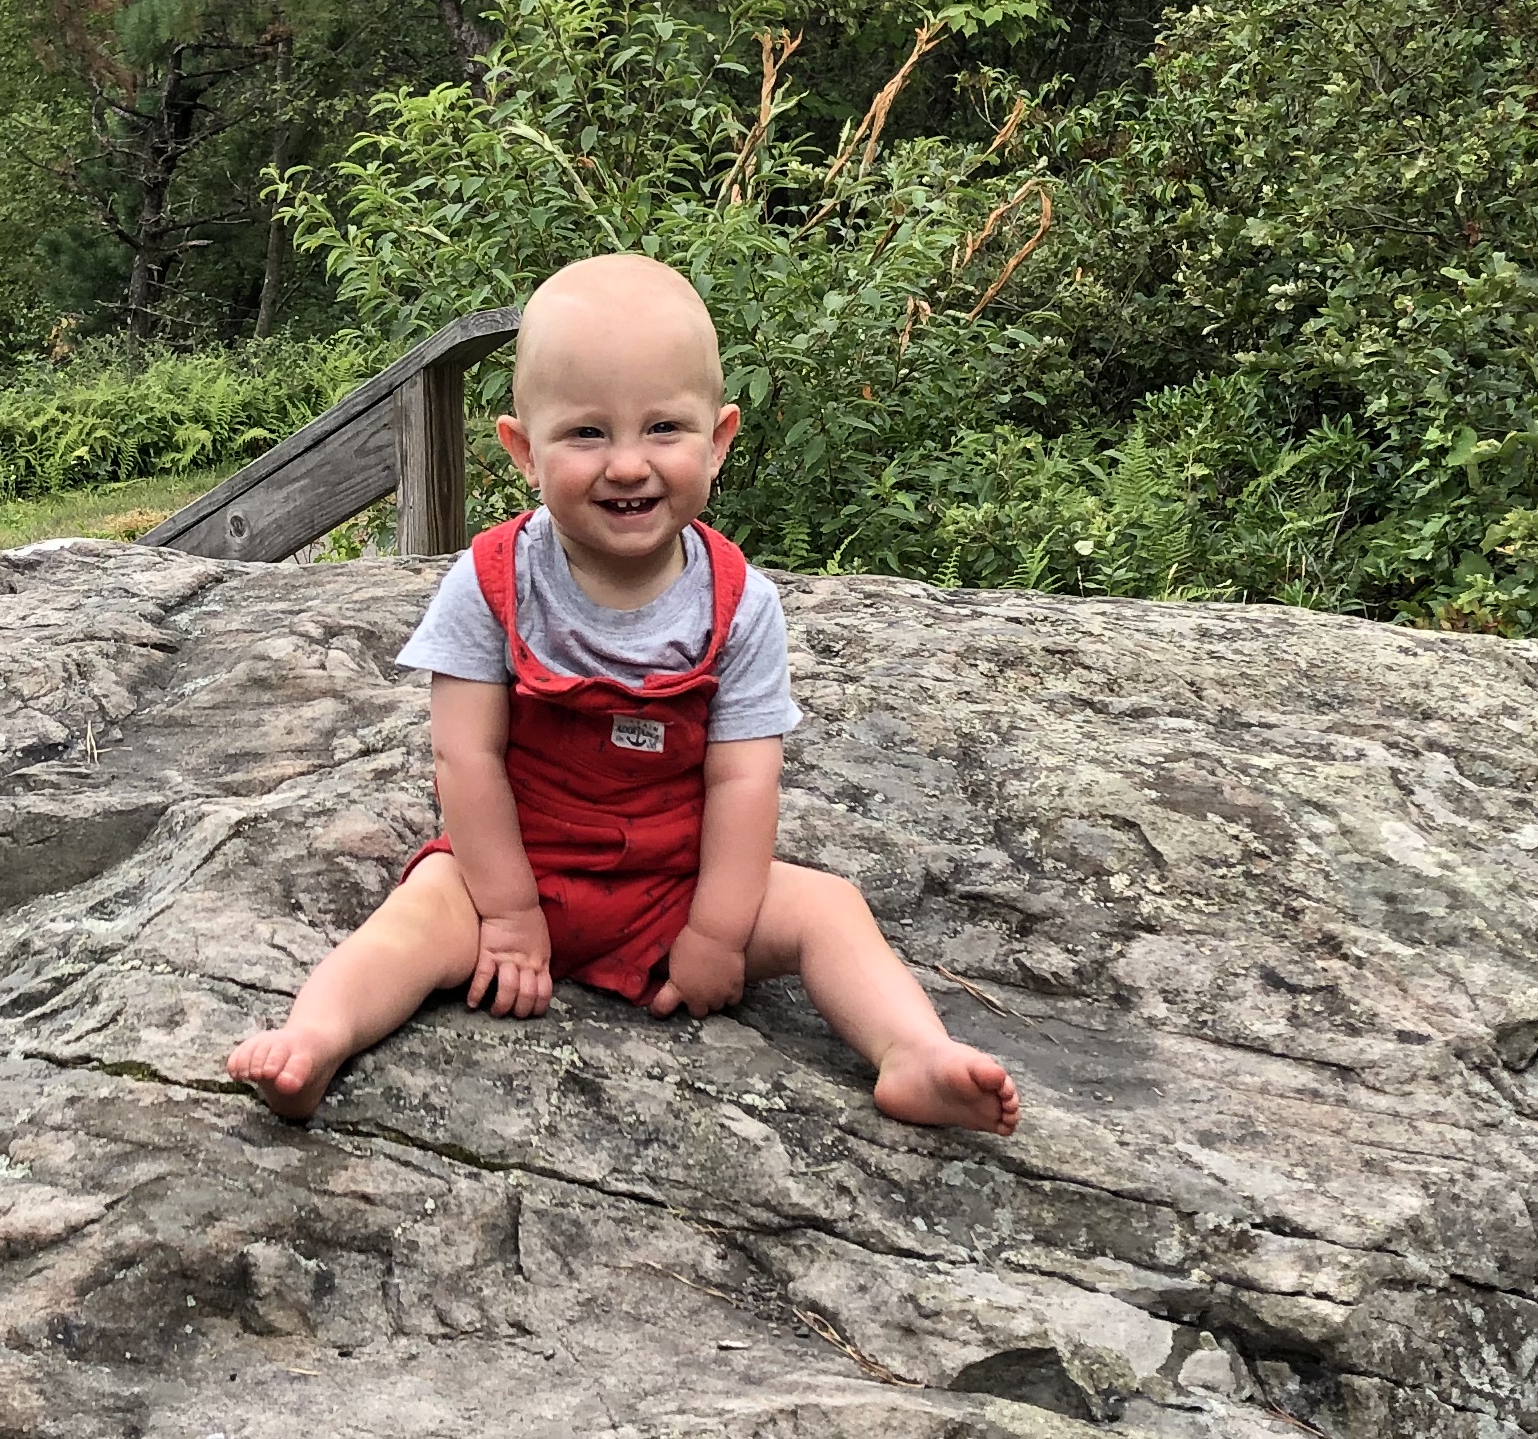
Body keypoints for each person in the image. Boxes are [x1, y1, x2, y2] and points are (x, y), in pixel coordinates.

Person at [227, 251, 1020, 1134]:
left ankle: (912, 1052)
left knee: (827, 908)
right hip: (515, 873)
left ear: (719, 439)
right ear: (524, 450)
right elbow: (466, 757)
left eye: (664, 429)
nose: (629, 465)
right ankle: (314, 1039)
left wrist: (718, 936)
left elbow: (743, 781)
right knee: (412, 918)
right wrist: (512, 914)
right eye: (588, 434)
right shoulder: (491, 584)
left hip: (673, 887)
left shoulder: (740, 605)